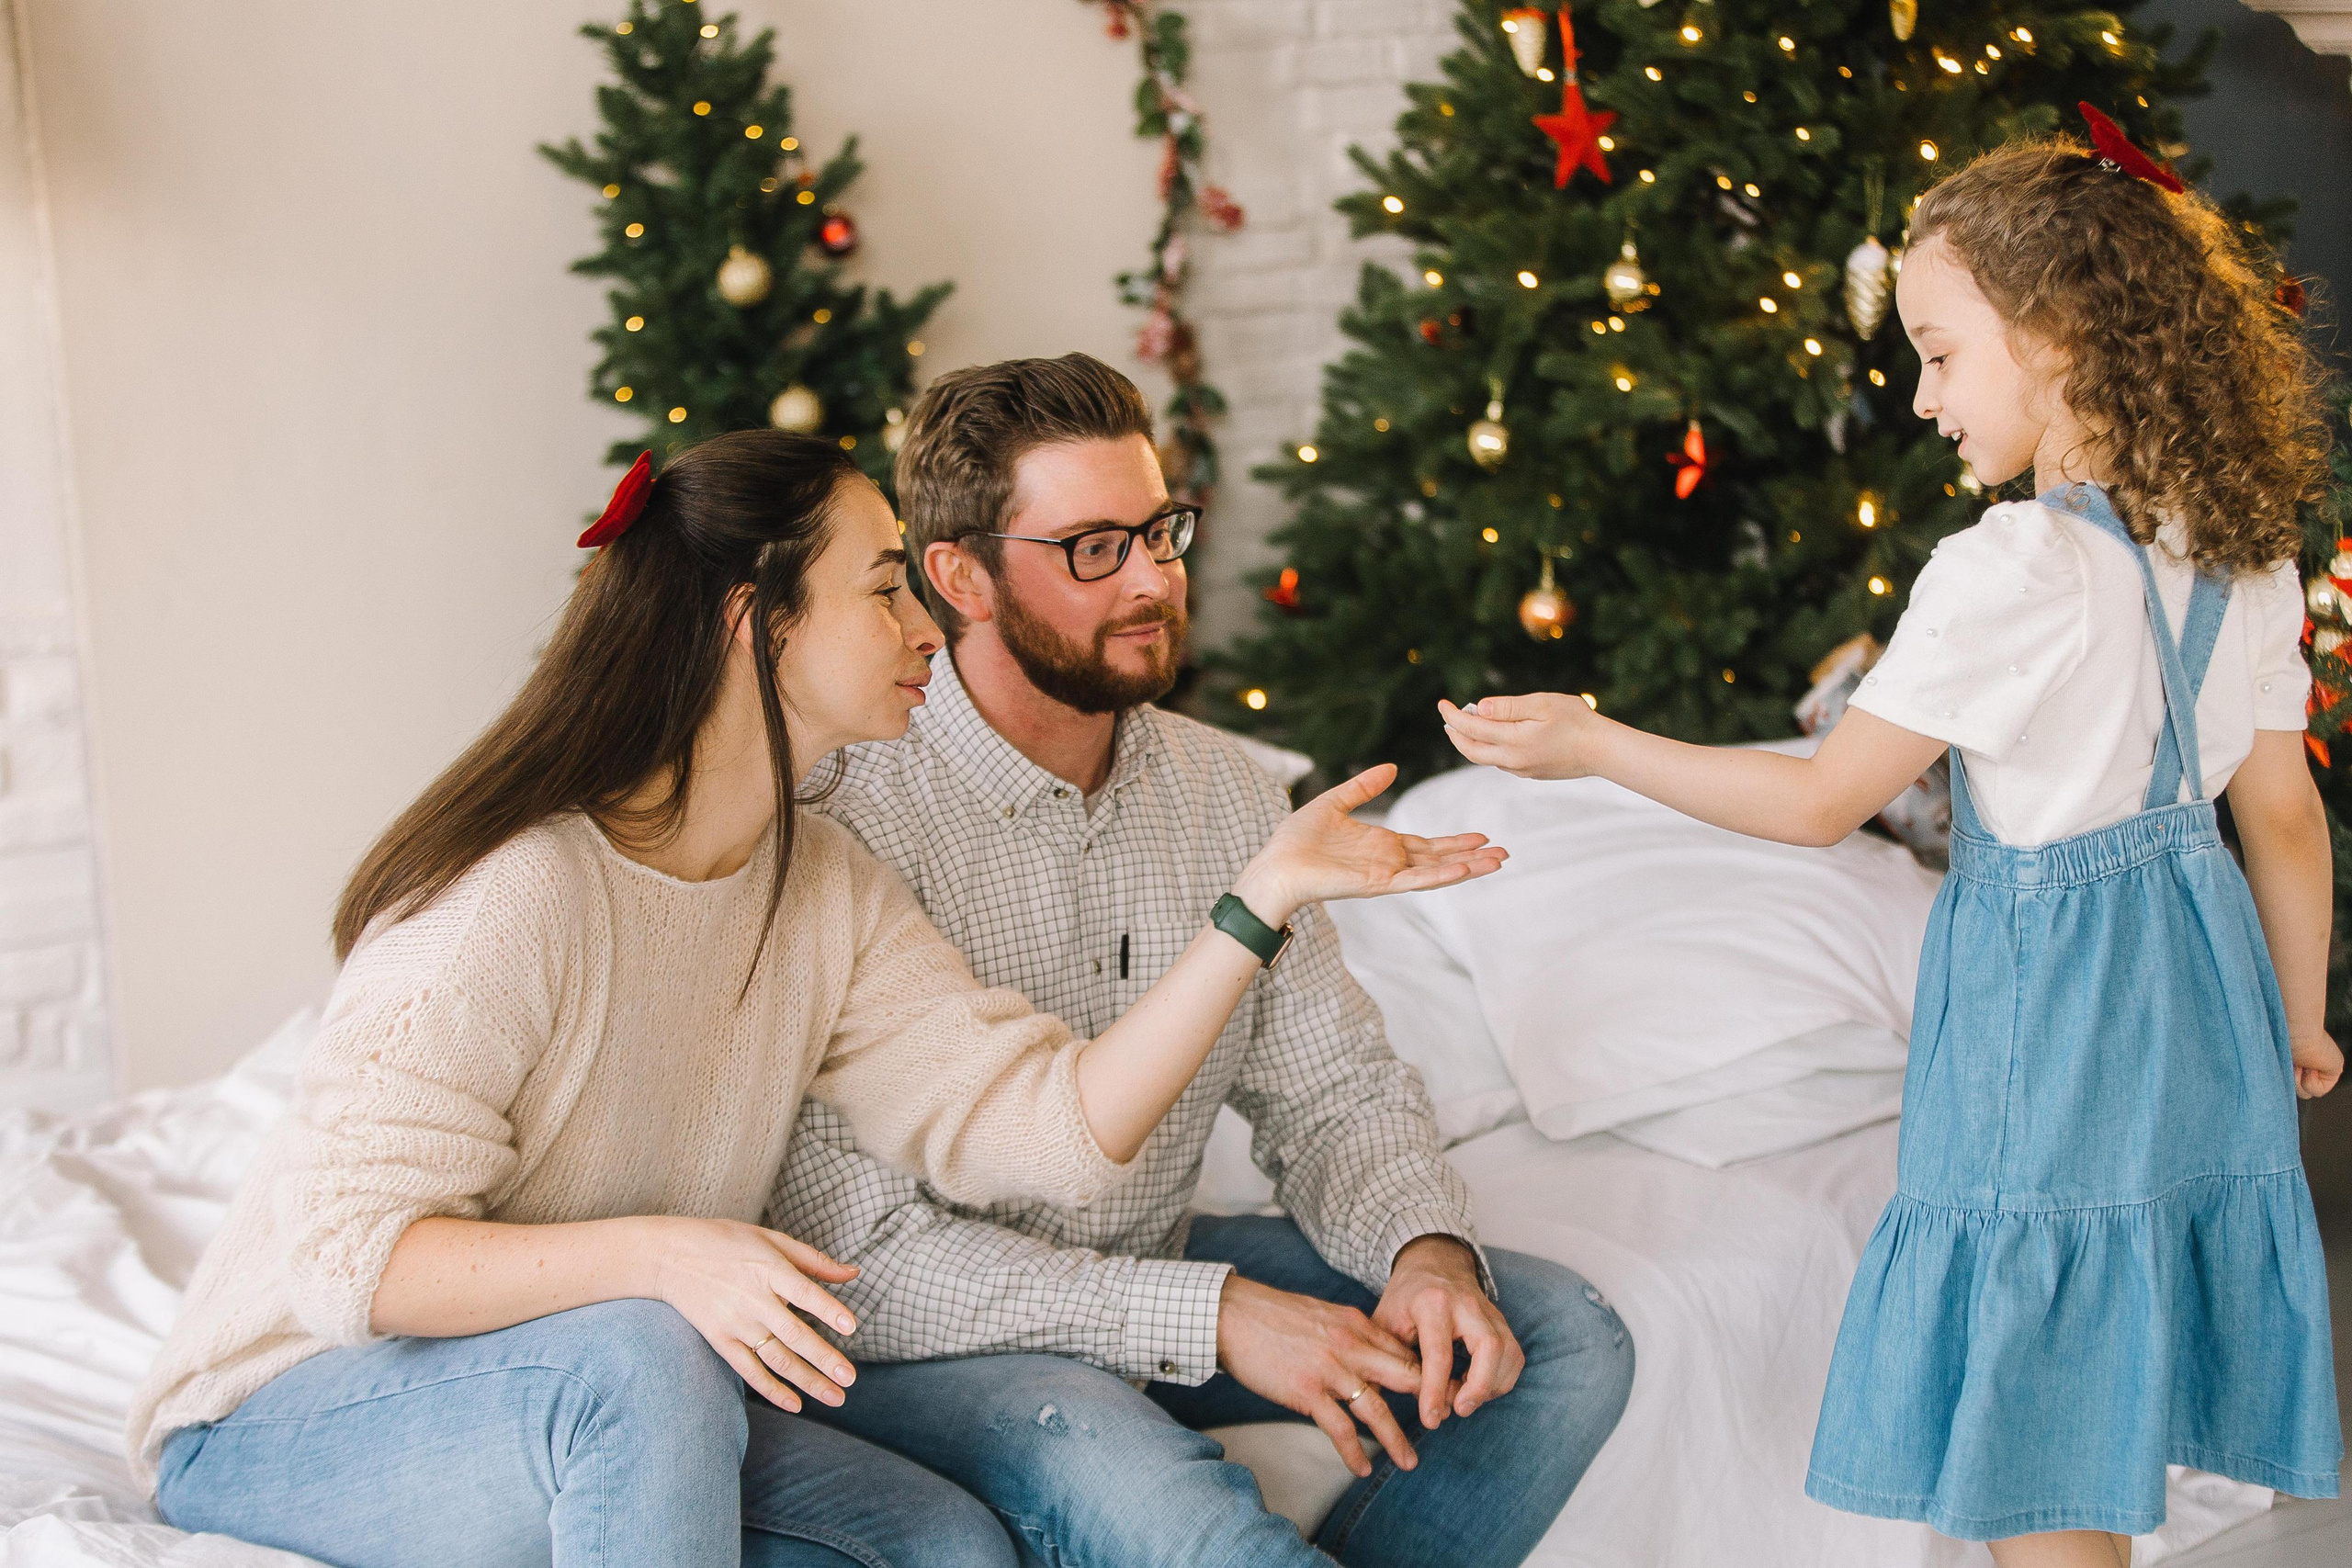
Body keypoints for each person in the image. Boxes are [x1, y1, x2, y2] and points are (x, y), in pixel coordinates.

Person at [126, 431, 1505, 1568]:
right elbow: (352, 1264)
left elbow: (1053, 1129)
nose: (929, 625)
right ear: (753, 621)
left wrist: (1253, 905)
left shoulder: (819, 885)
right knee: (648, 1352)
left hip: (602, 1381)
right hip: (290, 1414)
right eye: (887, 590)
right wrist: (667, 1255)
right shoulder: (523, 892)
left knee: (951, 1549)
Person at [1438, 115, 2342, 1568]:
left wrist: (1592, 741)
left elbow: (1818, 802)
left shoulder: (2014, 568)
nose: (1921, 396)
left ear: (2058, 338)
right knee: (2105, 1348)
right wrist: (2297, 1020)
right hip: (2200, 1006)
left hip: (2048, 1017)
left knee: (2033, 1390)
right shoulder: (2237, 536)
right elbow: (2282, 814)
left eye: (1939, 351)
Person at [765, 354, 1634, 1568]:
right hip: (926, 1342)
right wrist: (1216, 1317)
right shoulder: (845, 810)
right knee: (1207, 1534)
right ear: (959, 575)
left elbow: (1329, 1086)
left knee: (1563, 1343)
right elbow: (860, 1262)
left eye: (1160, 531)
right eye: (1092, 548)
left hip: (1145, 1263)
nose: (1153, 580)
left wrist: (1422, 1252)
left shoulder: (1226, 786)